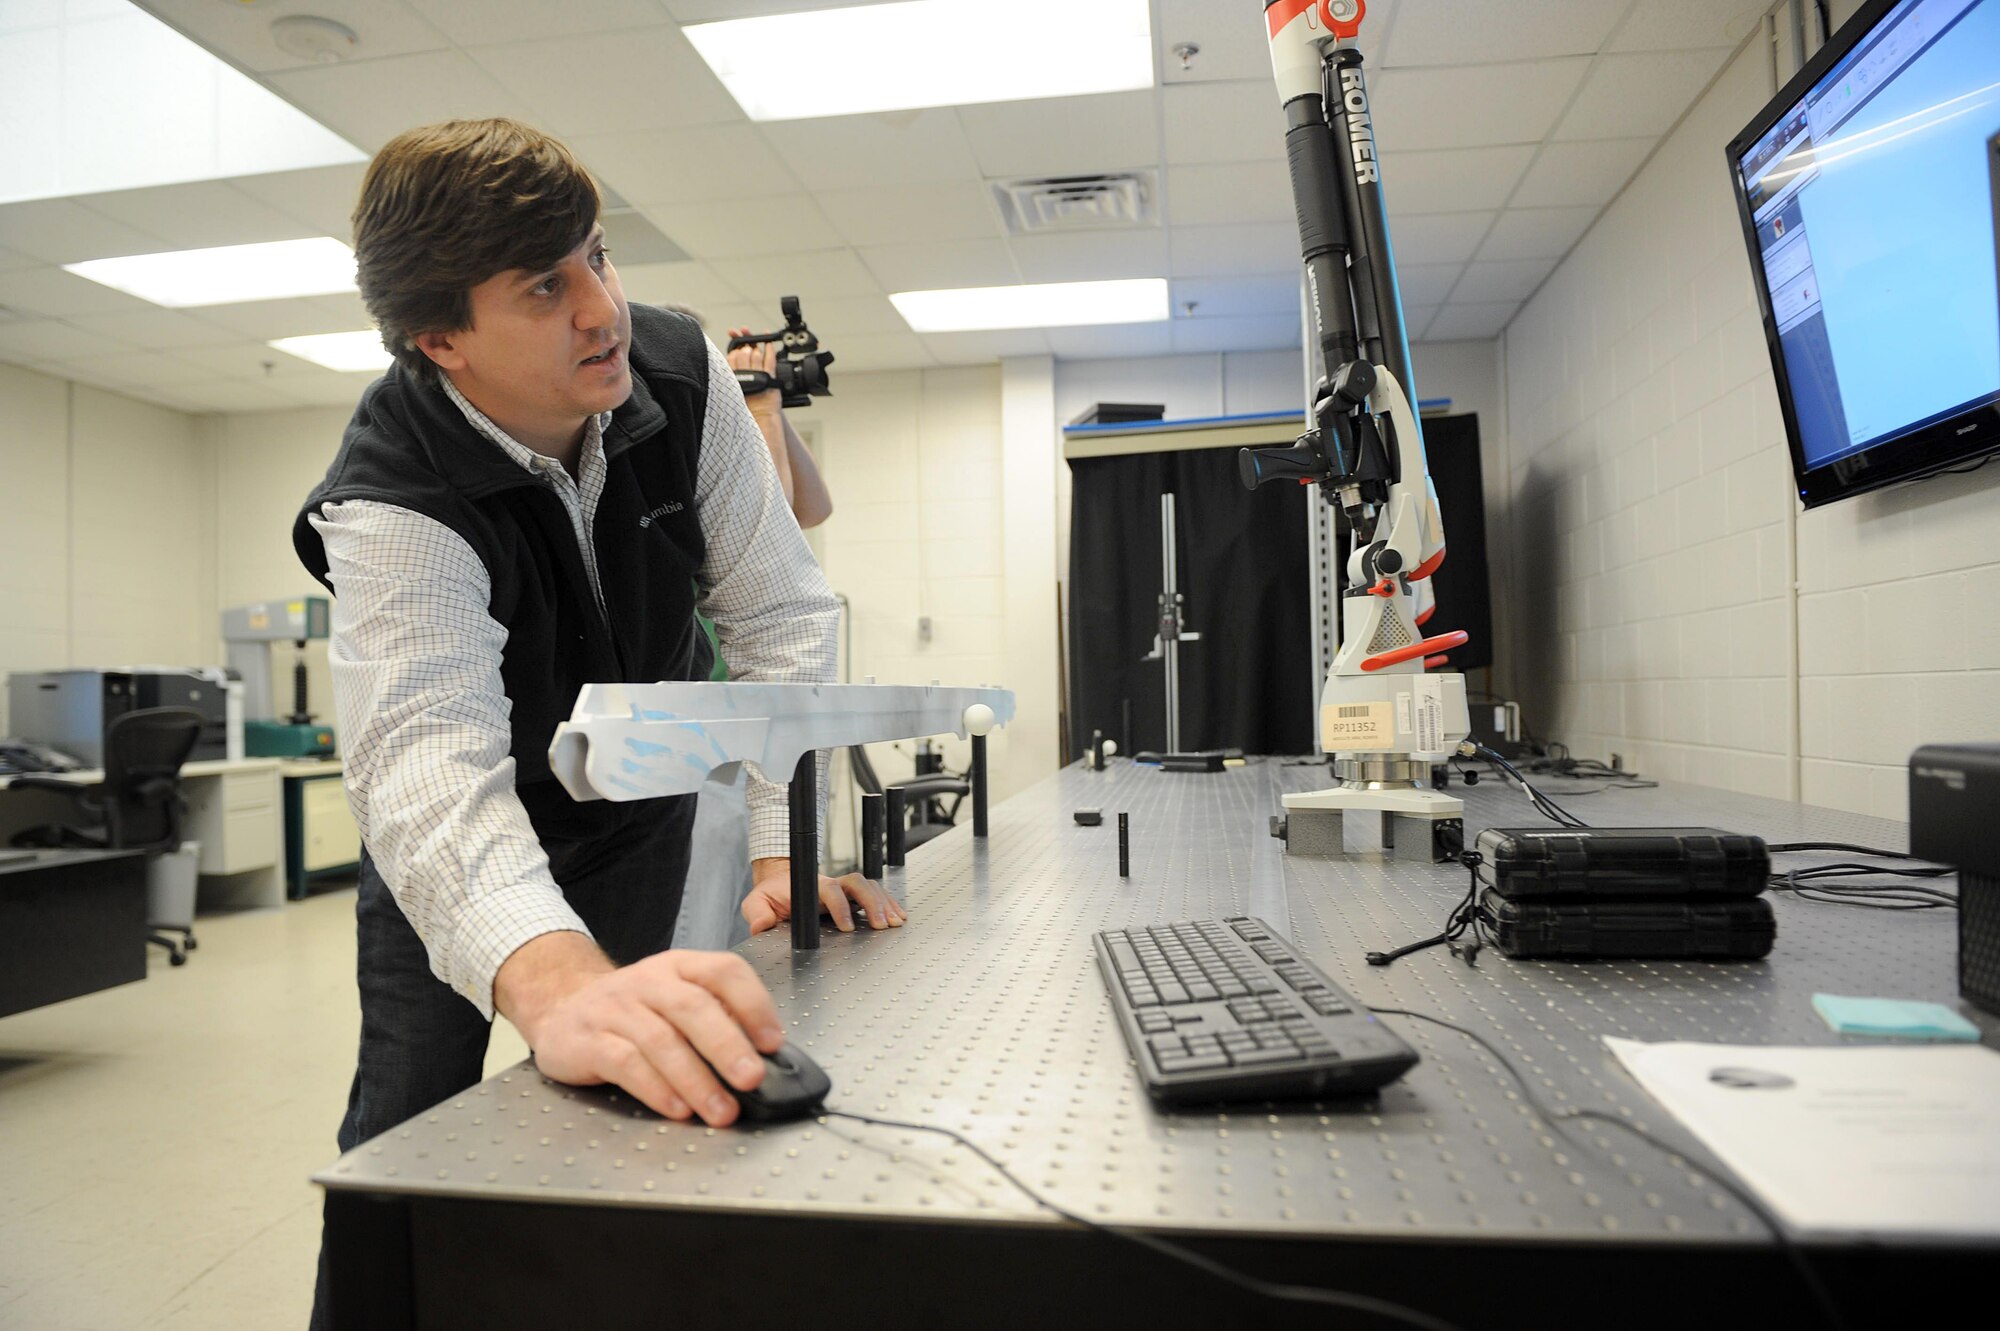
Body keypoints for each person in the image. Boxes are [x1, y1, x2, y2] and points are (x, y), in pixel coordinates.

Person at [292, 118, 902, 1328]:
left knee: (610, 1096)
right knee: (404, 1137)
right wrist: (551, 977)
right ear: (441, 339)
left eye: (597, 257)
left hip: (629, 805)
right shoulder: (392, 494)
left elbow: (781, 617)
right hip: (463, 834)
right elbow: (423, 763)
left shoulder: (679, 378)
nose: (601, 309)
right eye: (543, 287)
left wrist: (790, 846)